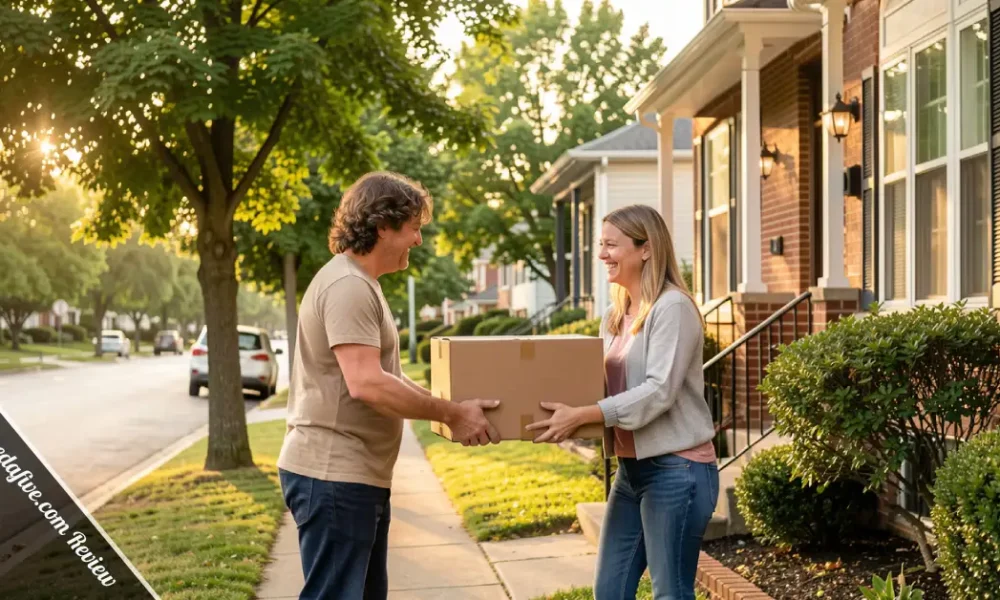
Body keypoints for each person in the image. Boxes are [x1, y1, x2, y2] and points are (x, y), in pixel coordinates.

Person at [276, 171, 501, 600]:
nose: (419, 240)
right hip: (334, 476)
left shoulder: (362, 284)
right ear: (383, 226)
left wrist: (448, 406)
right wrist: (451, 413)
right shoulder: (348, 286)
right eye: (414, 228)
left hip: (353, 477)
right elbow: (366, 383)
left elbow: (386, 376)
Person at [527, 204, 719, 600]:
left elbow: (658, 390)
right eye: (601, 244)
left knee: (671, 592)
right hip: (631, 471)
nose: (601, 255)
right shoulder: (616, 316)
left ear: (645, 249)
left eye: (611, 245)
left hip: (677, 469)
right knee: (609, 591)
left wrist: (587, 413)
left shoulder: (673, 308)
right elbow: (604, 388)